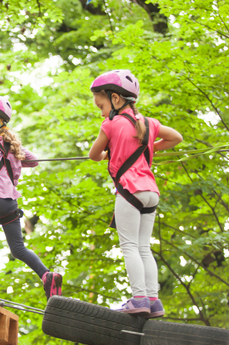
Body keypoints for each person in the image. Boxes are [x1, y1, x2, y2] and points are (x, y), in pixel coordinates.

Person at [88, 70, 183, 318]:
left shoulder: (110, 124)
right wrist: (150, 147)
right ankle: (153, 300)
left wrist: (109, 152)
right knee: (143, 248)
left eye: (101, 104)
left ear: (116, 99)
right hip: (151, 192)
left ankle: (139, 298)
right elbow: (176, 138)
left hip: (129, 191)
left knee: (129, 246)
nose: (100, 111)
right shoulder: (150, 124)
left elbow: (93, 155)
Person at [0, 95, 63, 300]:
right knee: (18, 248)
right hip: (10, 204)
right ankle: (47, 275)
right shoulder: (11, 147)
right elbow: (33, 161)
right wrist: (12, 151)